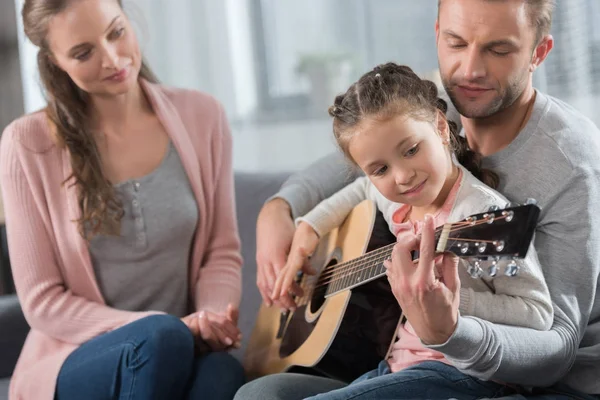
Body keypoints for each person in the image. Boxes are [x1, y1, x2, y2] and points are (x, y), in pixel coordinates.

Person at [244, 0, 600, 399]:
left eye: (498, 49)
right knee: (259, 393)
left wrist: (450, 327)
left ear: (539, 52)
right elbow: (356, 173)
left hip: (534, 379)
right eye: (456, 43)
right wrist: (287, 213)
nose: (470, 70)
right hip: (405, 358)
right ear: (437, 35)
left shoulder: (569, 163)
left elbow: (556, 349)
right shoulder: (426, 119)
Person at [1, 0, 245, 399]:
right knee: (159, 337)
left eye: (116, 32)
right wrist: (167, 325)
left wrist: (209, 319)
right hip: (75, 359)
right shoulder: (26, 144)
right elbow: (43, 301)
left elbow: (221, 252)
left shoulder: (203, 116)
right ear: (55, 61)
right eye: (83, 52)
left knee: (222, 373)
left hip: (183, 343)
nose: (113, 58)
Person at [268, 62, 554, 399]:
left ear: (440, 127)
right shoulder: (397, 203)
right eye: (381, 169)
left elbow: (538, 314)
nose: (402, 176)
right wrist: (309, 230)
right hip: (397, 365)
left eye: (411, 150)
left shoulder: (481, 213)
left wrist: (454, 300)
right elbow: (361, 190)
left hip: (462, 372)